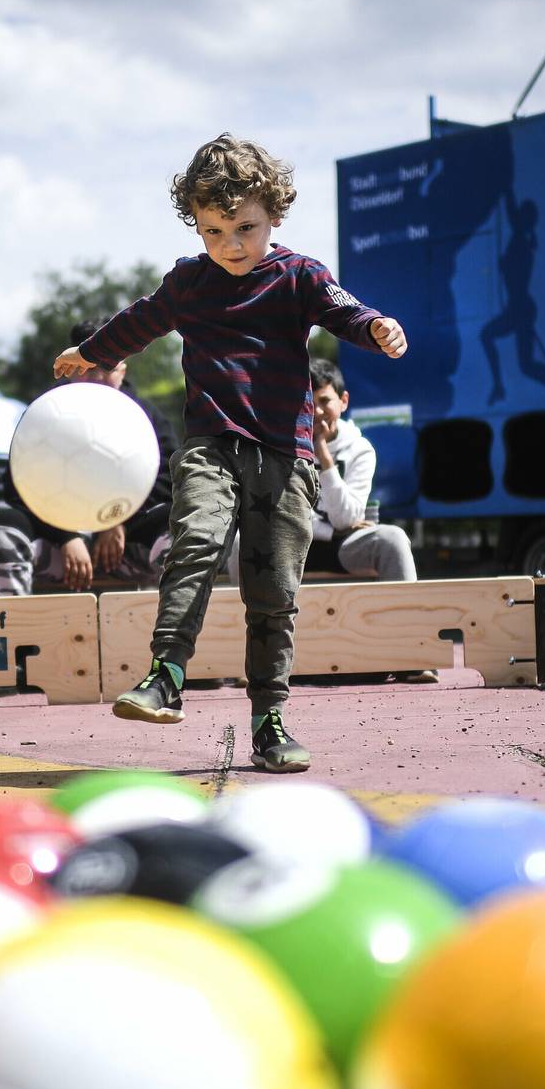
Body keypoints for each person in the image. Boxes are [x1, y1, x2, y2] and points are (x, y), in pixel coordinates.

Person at [55, 134, 407, 772]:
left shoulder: (298, 276)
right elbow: (141, 318)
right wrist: (94, 353)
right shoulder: (191, 282)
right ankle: (165, 675)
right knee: (194, 543)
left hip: (286, 456)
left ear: (274, 212)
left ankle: (269, 719)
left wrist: (376, 327)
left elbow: (341, 309)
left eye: (245, 228)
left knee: (273, 593)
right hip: (211, 445)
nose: (231, 246)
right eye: (214, 232)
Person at [0, 318, 178, 596]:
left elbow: (171, 479)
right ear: (69, 368)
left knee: (184, 523)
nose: (96, 378)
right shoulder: (43, 415)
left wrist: (116, 518)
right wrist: (66, 537)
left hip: (127, 548)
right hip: (55, 549)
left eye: (107, 367)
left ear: (123, 369)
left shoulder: (147, 417)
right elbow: (17, 486)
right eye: (86, 368)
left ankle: (175, 633)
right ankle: (16, 635)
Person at [307, 357, 436, 684]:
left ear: (343, 401)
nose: (317, 412)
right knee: (243, 540)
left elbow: (348, 515)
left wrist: (323, 456)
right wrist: (329, 528)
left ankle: (408, 654)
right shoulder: (284, 445)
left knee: (392, 538)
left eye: (325, 401)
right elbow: (286, 514)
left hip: (345, 545)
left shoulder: (360, 449)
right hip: (295, 544)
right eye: (309, 403)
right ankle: (243, 660)